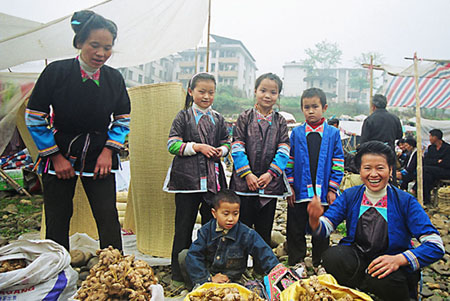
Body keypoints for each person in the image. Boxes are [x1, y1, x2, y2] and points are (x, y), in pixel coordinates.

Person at [26, 10, 130, 251]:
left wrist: (108, 151)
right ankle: (56, 271)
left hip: (99, 154)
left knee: (107, 217)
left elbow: (123, 118)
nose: (101, 53)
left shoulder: (114, 78)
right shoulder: (56, 72)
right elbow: (34, 116)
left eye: (107, 47)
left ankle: (114, 271)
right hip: (60, 151)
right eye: (95, 45)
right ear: (80, 42)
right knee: (58, 216)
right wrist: (54, 156)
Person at [307, 141, 445, 301]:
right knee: (333, 257)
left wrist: (400, 259)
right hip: (360, 258)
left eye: (380, 168)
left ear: (390, 170)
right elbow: (326, 227)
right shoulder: (350, 196)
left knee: (383, 278)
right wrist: (315, 219)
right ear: (359, 171)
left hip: (391, 264)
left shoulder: (405, 201)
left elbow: (436, 245)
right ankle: (358, 292)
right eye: (367, 168)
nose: (373, 174)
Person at [163, 72, 230, 287]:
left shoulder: (218, 119)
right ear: (191, 92)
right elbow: (172, 144)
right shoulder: (183, 117)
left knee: (212, 228)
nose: (206, 96)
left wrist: (222, 150)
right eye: (202, 91)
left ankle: (209, 271)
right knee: (183, 227)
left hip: (213, 182)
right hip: (187, 182)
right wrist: (197, 147)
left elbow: (227, 142)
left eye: (211, 92)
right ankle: (178, 275)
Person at [285, 87, 344, 272]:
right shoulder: (296, 133)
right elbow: (290, 160)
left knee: (321, 227)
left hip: (323, 192)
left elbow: (338, 161)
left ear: (324, 107)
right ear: (302, 109)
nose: (311, 111)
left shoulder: (333, 134)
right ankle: (297, 261)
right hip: (300, 191)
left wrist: (332, 189)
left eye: (315, 106)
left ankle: (320, 262)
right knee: (295, 227)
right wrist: (290, 187)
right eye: (306, 107)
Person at [230, 73, 290, 248]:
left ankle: (261, 268)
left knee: (264, 229)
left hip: (269, 185)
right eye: (263, 90)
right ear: (255, 91)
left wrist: (271, 174)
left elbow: (284, 148)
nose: (267, 95)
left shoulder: (280, 122)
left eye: (273, 92)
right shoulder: (244, 118)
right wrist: (247, 174)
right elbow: (237, 146)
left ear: (278, 95)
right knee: (242, 227)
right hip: (244, 185)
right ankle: (238, 267)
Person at [185, 189, 279, 288]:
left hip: (233, 279)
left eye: (235, 214)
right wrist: (208, 278)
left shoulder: (246, 233)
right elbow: (194, 255)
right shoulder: (206, 231)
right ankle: (194, 285)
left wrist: (277, 271)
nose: (230, 219)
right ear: (214, 213)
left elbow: (264, 252)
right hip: (210, 276)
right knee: (185, 256)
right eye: (226, 214)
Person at [360, 94, 403, 185]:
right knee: (390, 179)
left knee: (374, 181)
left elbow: (363, 142)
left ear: (373, 106)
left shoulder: (370, 120)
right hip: (389, 153)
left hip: (374, 155)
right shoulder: (395, 119)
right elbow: (399, 136)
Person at [420, 129, 450, 204]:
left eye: (430, 136)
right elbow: (426, 161)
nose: (429, 138)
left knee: (425, 170)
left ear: (436, 137)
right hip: (432, 171)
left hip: (445, 171)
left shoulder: (447, 148)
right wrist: (437, 161)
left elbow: (447, 163)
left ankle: (421, 195)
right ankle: (426, 200)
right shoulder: (431, 148)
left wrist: (434, 162)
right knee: (427, 175)